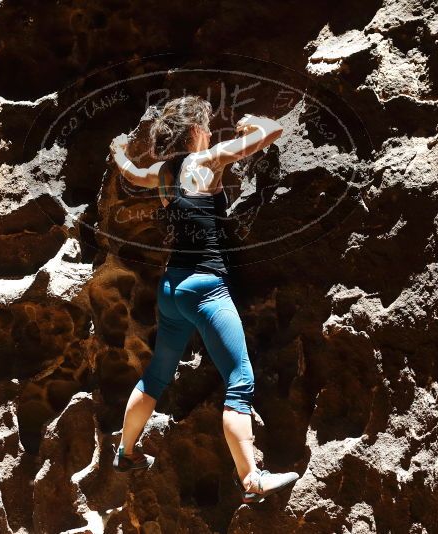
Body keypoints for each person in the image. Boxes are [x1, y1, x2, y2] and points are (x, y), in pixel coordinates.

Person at [108, 95, 299, 504]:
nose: (211, 133)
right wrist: (254, 121)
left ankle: (125, 453)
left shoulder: (162, 173)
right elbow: (273, 132)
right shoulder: (208, 160)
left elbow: (130, 173)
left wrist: (119, 151)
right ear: (195, 131)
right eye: (207, 127)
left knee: (156, 376)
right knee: (240, 381)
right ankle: (251, 480)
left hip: (171, 288)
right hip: (206, 287)